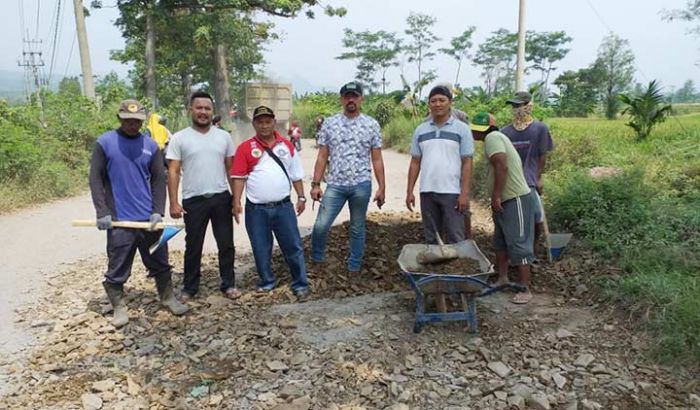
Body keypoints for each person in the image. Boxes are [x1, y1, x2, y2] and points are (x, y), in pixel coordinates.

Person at [89, 99, 188, 327]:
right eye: (128, 121)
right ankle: (119, 307)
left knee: (159, 261)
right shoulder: (105, 143)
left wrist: (157, 212)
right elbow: (95, 179)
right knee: (117, 266)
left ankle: (167, 297)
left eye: (136, 121)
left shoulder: (151, 145)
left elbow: (158, 179)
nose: (132, 125)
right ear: (120, 119)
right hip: (119, 219)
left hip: (147, 220)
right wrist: (102, 212)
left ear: (143, 121)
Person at [166, 91, 239, 301]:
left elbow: (231, 169)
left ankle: (229, 284)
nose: (203, 112)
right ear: (191, 110)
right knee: (193, 245)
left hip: (220, 198)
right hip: (194, 200)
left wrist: (235, 200)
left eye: (207, 109)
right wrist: (173, 202)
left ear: (212, 111)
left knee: (226, 244)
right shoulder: (180, 138)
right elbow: (173, 170)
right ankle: (190, 287)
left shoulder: (223, 137)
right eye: (199, 108)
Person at [230, 106, 310, 296]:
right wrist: (236, 202)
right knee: (260, 247)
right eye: (260, 122)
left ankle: (300, 283)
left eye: (268, 121)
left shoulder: (287, 146)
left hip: (283, 207)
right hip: (256, 209)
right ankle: (267, 281)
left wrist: (301, 196)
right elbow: (238, 177)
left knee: (293, 246)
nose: (264, 126)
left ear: (274, 122)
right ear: (254, 124)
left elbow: (296, 175)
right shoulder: (245, 148)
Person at [310, 81, 386, 273]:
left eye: (354, 96)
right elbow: (322, 156)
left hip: (361, 184)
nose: (350, 99)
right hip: (335, 184)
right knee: (321, 225)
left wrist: (381, 187)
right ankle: (317, 260)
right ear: (342, 99)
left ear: (361, 99)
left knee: (357, 227)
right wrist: (315, 184)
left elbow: (376, 159)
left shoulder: (371, 125)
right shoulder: (329, 123)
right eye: (347, 96)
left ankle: (354, 266)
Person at [470, 112, 536, 304]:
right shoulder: (496, 137)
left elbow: (502, 166)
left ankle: (525, 288)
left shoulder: (493, 138)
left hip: (515, 198)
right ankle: (502, 278)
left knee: (518, 243)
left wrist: (497, 195)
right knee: (500, 241)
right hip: (505, 199)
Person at [406, 85, 474, 244]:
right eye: (433, 101)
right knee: (432, 237)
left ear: (450, 102)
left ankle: (456, 269)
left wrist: (464, 193)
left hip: (452, 192)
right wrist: (410, 191)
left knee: (455, 236)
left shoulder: (462, 129)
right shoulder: (420, 130)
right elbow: (415, 162)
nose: (437, 104)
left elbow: (467, 162)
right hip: (427, 192)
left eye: (442, 100)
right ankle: (434, 269)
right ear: (429, 104)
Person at [501, 91, 554, 247]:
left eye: (519, 105)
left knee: (537, 218)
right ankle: (516, 250)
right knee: (514, 219)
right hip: (511, 182)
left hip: (529, 180)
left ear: (528, 106)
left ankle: (532, 249)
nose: (516, 109)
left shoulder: (540, 129)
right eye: (514, 106)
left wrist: (538, 177)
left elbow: (542, 155)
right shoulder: (505, 132)